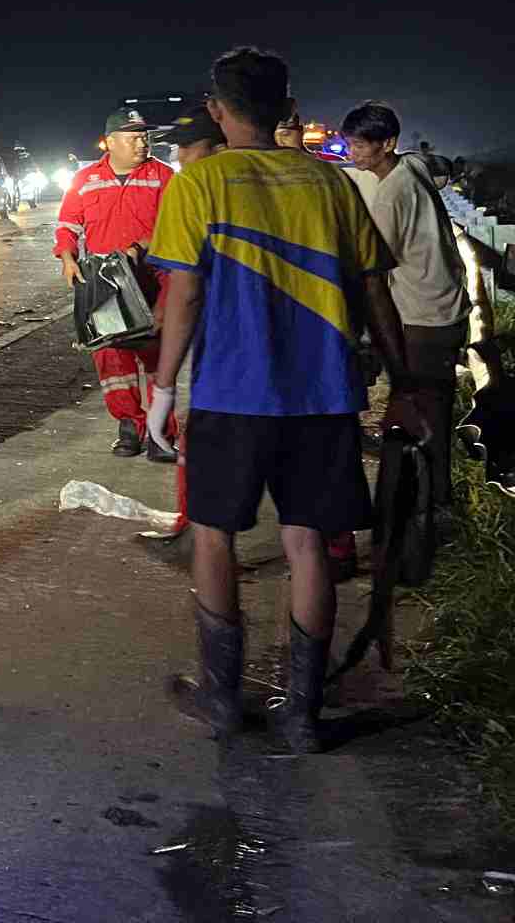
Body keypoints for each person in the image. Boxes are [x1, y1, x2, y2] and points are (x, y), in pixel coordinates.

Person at [146, 47, 419, 753]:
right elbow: (375, 293)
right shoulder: (331, 186)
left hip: (232, 395)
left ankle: (222, 701)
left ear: (217, 108)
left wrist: (162, 386)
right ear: (285, 109)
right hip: (322, 396)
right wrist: (406, 385)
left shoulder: (200, 184)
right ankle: (302, 714)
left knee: (214, 537)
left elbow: (184, 291)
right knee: (307, 546)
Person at [340, 102, 470, 516]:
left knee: (422, 415)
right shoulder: (410, 167)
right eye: (350, 145)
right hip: (448, 309)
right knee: (435, 409)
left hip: (421, 319)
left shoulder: (391, 198)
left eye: (360, 146)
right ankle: (432, 500)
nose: (353, 155)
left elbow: (371, 272)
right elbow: (434, 163)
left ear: (387, 143)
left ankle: (433, 507)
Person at [55, 108, 178, 459]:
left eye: (144, 136)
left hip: (152, 281)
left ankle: (161, 434)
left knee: (157, 360)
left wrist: (142, 247)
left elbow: (174, 226)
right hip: (105, 284)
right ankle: (129, 426)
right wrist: (66, 256)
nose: (143, 143)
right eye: (133, 137)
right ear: (110, 143)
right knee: (111, 358)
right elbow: (67, 225)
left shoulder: (163, 176)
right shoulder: (85, 179)